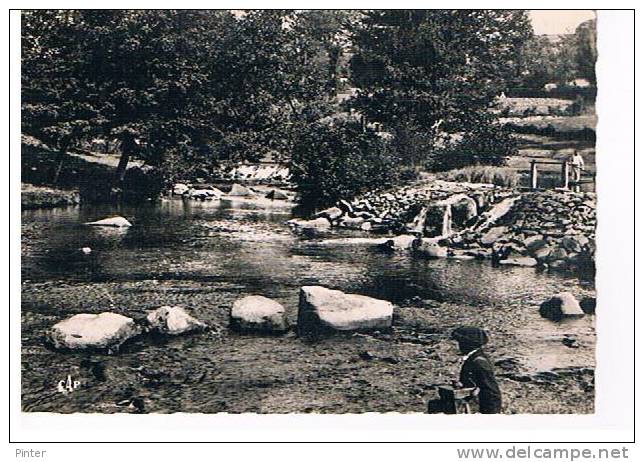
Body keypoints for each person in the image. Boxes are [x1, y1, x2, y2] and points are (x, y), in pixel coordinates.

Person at [451, 326, 502, 414]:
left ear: (466, 343)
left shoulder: (479, 361)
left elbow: (492, 392)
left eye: (459, 342)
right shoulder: (473, 359)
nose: (458, 345)